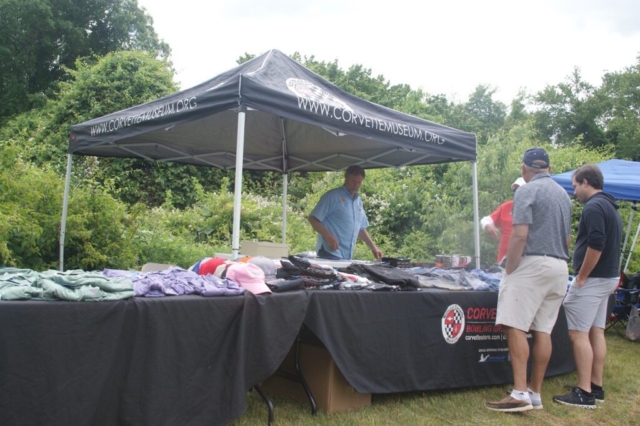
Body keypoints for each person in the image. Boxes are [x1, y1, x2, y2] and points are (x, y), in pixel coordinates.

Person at [486, 147, 572, 412]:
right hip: (560, 265)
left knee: (513, 325)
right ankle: (535, 393)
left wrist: (510, 267)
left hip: (533, 263)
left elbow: (520, 234)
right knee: (543, 330)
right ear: (549, 168)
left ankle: (519, 393)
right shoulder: (564, 195)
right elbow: (568, 239)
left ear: (524, 169)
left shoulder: (526, 190)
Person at [553, 164, 622, 409]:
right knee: (596, 331)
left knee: (578, 333)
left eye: (574, 186)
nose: (574, 192)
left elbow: (597, 243)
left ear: (585, 182)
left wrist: (581, 277)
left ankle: (584, 393)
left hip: (593, 279)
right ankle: (596, 386)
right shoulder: (611, 206)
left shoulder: (593, 206)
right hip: (608, 278)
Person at [308, 165, 382, 260]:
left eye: (359, 182)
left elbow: (361, 228)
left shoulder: (358, 202)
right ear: (346, 178)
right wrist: (329, 237)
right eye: (353, 181)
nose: (356, 185)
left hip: (347, 255)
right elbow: (313, 219)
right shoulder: (332, 196)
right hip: (329, 252)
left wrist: (373, 247)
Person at [481, 177, 527, 263]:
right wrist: (487, 225)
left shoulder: (535, 208)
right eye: (515, 190)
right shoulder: (506, 207)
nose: (517, 193)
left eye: (520, 190)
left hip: (526, 259)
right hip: (504, 259)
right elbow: (486, 219)